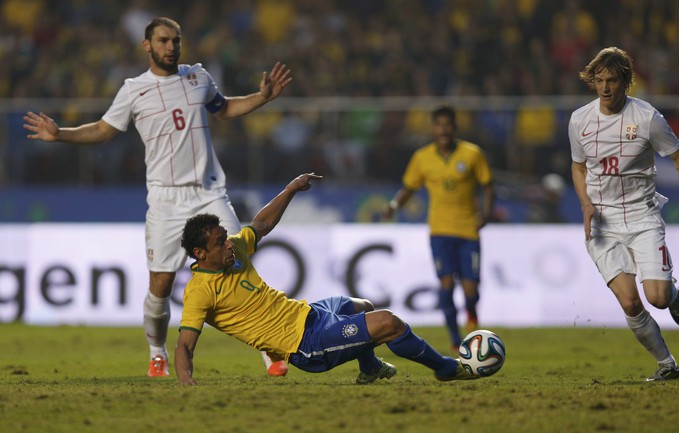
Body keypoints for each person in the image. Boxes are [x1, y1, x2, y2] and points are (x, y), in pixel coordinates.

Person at [22, 17, 293, 378]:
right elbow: (103, 130)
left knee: (237, 263)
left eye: (175, 41)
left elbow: (225, 108)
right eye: (163, 41)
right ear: (146, 46)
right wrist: (61, 135)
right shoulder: (134, 90)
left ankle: (268, 349)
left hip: (209, 192)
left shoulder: (198, 77)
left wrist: (261, 97)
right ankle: (156, 351)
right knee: (161, 286)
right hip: (166, 200)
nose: (171, 47)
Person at [175, 172, 472, 385]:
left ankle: (370, 369)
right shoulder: (200, 292)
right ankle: (445, 368)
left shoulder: (235, 249)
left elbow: (262, 224)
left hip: (309, 314)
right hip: (305, 344)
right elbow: (185, 345)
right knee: (389, 323)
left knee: (363, 306)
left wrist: (291, 187)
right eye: (220, 243)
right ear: (200, 253)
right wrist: (186, 381)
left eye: (226, 238)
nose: (229, 244)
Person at [569, 46, 679, 381]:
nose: (606, 87)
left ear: (626, 81)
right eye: (600, 80)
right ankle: (668, 365)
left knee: (657, 297)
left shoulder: (647, 118)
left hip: (642, 216)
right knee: (629, 303)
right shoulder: (579, 120)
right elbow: (578, 167)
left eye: (612, 80)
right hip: (603, 224)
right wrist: (585, 203)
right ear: (592, 81)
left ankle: (672, 293)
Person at [383, 106, 494, 351]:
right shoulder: (422, 158)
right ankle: (456, 340)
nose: (443, 130)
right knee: (445, 286)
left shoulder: (472, 154)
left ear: (454, 127)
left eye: (447, 125)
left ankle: (472, 312)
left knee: (470, 291)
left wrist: (486, 213)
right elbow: (409, 188)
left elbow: (488, 185)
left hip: (468, 230)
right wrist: (393, 206)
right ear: (433, 128)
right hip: (440, 231)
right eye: (439, 125)